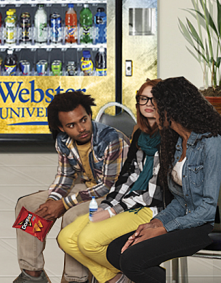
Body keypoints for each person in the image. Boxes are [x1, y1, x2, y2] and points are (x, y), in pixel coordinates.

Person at [105, 76, 221, 283]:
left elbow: (208, 208)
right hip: (182, 218)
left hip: (205, 224)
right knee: (116, 250)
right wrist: (156, 222)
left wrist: (164, 228)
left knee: (132, 260)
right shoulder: (177, 141)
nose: (152, 111)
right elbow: (181, 200)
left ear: (172, 110)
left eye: (157, 107)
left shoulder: (211, 143)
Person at [14, 91, 128, 283]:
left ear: (89, 115)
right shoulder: (63, 140)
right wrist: (52, 200)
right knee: (29, 206)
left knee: (72, 216)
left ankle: (76, 278)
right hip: (85, 188)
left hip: (113, 194)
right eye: (71, 125)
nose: (81, 128)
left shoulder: (112, 139)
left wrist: (64, 204)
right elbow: (66, 177)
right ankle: (33, 274)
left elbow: (107, 187)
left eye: (83, 120)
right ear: (61, 127)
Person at [57, 79, 164, 283]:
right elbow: (127, 176)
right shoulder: (140, 134)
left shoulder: (170, 137)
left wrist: (113, 211)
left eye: (154, 99)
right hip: (130, 202)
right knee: (66, 238)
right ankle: (115, 279)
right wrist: (109, 204)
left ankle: (136, 277)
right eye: (144, 99)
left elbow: (153, 194)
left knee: (87, 241)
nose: (148, 104)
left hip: (151, 208)